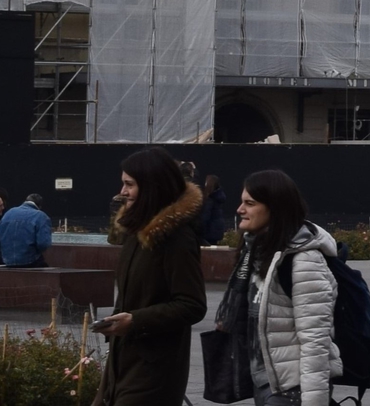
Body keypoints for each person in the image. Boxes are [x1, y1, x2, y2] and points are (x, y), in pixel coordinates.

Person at [215, 169, 340, 406]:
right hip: (266, 383)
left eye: (249, 203)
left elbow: (315, 340)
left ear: (275, 208)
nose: (240, 209)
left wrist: (314, 402)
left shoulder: (302, 260)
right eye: (242, 202)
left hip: (291, 390)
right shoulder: (256, 253)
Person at [99, 147, 206, 405]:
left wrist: (135, 321)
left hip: (154, 370)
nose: (122, 191)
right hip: (122, 362)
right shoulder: (137, 232)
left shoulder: (176, 238)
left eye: (129, 184)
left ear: (152, 186)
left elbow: (192, 305)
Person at [0, 194, 54, 268]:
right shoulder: (41, 216)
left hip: (8, 261)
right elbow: (43, 244)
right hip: (30, 261)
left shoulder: (9, 213)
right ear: (39, 206)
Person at [196, 174, 229, 247]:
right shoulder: (218, 197)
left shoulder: (210, 200)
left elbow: (205, 217)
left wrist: (199, 230)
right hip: (216, 229)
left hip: (209, 230)